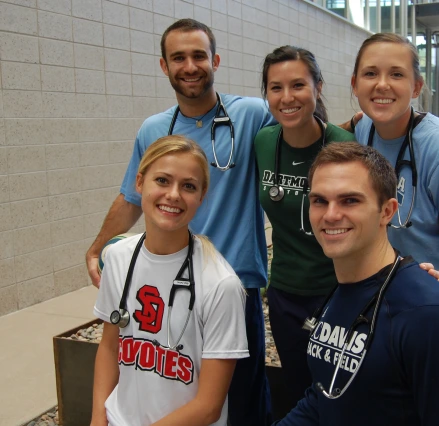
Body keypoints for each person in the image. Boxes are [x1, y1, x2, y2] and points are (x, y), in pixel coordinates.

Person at [85, 18, 273, 426]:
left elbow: (303, 130)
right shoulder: (154, 129)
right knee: (166, 382)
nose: (190, 66)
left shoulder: (253, 115)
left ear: (216, 61)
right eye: (179, 58)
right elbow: (133, 197)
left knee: (240, 405)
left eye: (198, 56)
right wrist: (99, 246)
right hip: (166, 284)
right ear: (164, 66)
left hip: (233, 286)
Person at [275, 142, 439, 425]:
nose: (330, 215)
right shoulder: (341, 294)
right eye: (319, 201)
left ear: (387, 211)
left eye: (350, 200)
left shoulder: (433, 317)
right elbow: (323, 400)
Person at [91, 135, 248, 426]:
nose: (174, 195)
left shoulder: (220, 284)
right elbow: (110, 347)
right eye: (162, 180)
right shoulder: (118, 258)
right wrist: (98, 418)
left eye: (188, 186)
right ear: (139, 183)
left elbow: (208, 407)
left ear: (202, 197)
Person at [351, 33, 439, 340]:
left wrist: (430, 285)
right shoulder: (361, 131)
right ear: (355, 84)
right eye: (370, 73)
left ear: (416, 87)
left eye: (396, 74)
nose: (382, 84)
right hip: (384, 312)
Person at [254, 46, 356, 408]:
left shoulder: (345, 148)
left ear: (318, 87)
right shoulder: (263, 142)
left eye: (298, 85)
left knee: (340, 391)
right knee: (299, 388)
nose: (287, 97)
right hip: (284, 292)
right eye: (275, 87)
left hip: (339, 292)